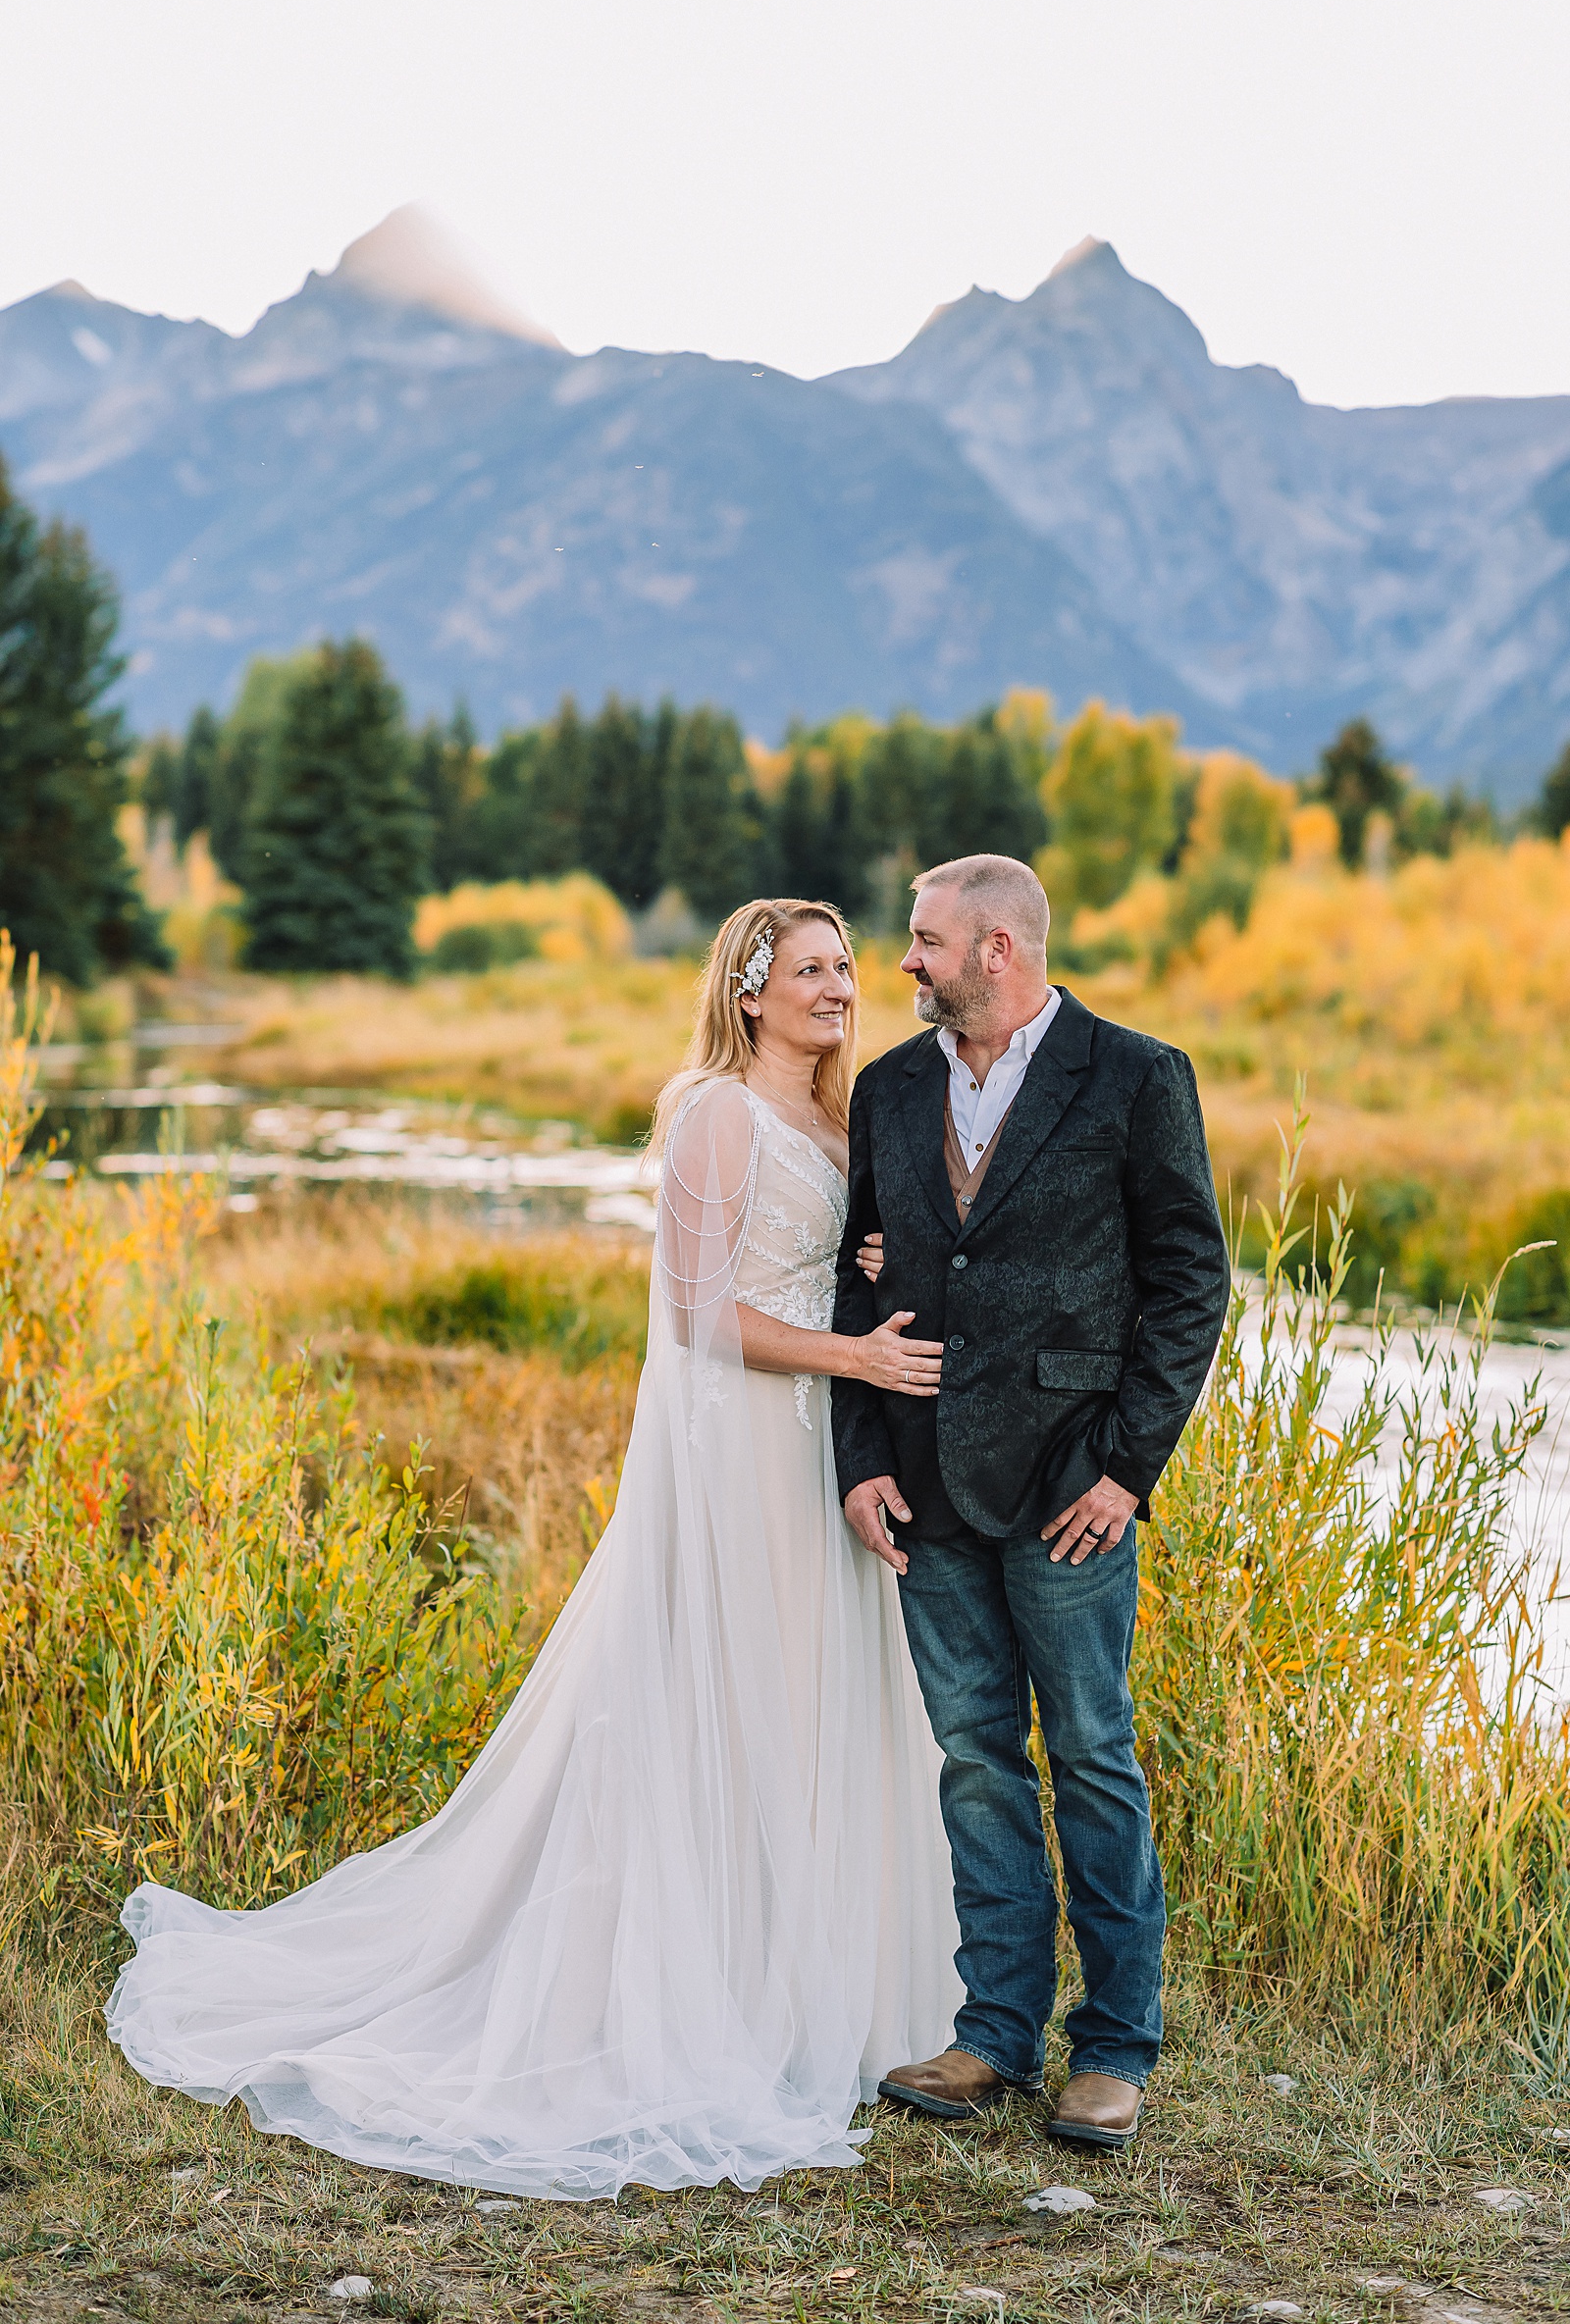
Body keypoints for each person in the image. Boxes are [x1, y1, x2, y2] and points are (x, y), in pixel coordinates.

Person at [107, 900, 963, 2201]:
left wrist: (869, 1265)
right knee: (718, 1705)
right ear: (749, 996)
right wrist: (855, 1350)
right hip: (738, 1451)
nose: (840, 987)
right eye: (810, 970)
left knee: (809, 1701)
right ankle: (684, 1994)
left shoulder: (843, 1121)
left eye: (848, 966)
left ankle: (806, 1994)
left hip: (823, 1459)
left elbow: (814, 1265)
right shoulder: (715, 1113)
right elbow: (693, 1314)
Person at [832, 854, 1230, 2149]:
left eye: (924, 942)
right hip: (926, 1487)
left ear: (997, 947)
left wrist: (1128, 1470)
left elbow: (1189, 1284)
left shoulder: (1134, 1076)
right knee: (976, 1764)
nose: (906, 964)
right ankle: (995, 2034)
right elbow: (857, 1285)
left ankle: (1113, 2048)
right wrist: (860, 1458)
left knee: (1095, 1761)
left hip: (1072, 1487)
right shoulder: (891, 1087)